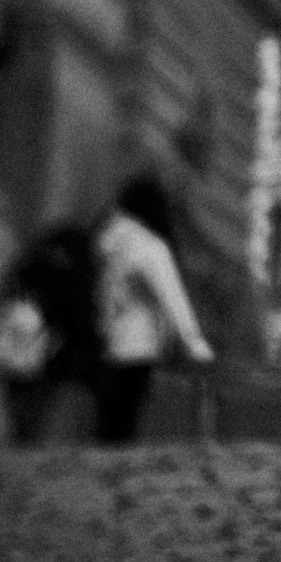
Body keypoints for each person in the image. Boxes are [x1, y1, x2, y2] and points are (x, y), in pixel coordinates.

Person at [89, 174, 216, 445]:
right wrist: (194, 342)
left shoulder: (107, 242)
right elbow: (172, 296)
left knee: (107, 421)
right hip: (138, 345)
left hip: (106, 342)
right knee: (127, 420)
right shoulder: (148, 246)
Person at [0, 214, 99, 445]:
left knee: (19, 419)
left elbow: (3, 299)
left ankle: (19, 447)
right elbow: (80, 323)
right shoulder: (73, 277)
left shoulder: (27, 268)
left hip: (13, 361)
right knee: (36, 422)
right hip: (48, 365)